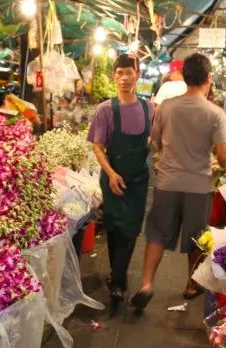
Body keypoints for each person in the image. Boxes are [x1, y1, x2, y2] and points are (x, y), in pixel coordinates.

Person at [130, 53, 226, 314]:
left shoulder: (167, 107)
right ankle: (190, 285)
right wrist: (221, 166)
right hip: (199, 185)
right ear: (208, 79)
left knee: (156, 234)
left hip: (167, 182)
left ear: (184, 78)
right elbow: (224, 155)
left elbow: (157, 141)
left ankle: (146, 283)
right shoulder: (215, 113)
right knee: (197, 238)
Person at [87, 54, 154, 307]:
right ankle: (117, 277)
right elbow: (97, 146)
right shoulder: (105, 109)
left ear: (137, 74)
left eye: (129, 72)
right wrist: (111, 173)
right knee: (115, 227)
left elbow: (153, 139)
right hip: (113, 178)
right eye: (120, 73)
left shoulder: (149, 108)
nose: (125, 78)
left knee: (131, 229)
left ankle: (118, 282)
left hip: (138, 181)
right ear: (114, 76)